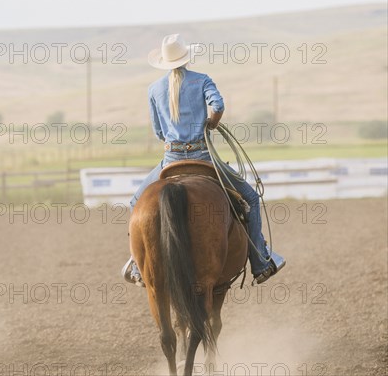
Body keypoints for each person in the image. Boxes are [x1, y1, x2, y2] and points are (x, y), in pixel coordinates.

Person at [121, 34, 285, 287]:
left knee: (136, 202)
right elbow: (217, 105)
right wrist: (212, 123)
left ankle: (137, 264)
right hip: (202, 155)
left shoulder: (154, 89)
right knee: (250, 198)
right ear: (187, 58)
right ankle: (261, 261)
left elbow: (158, 132)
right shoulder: (202, 80)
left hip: (171, 157)